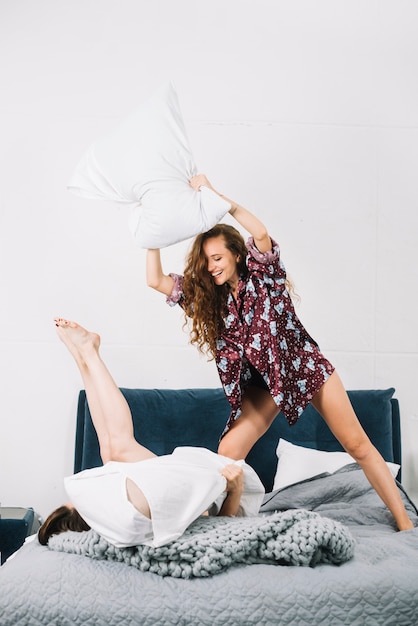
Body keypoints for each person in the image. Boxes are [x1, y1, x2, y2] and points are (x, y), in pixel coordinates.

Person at [146, 174, 414, 532]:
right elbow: (155, 280)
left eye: (217, 258)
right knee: (226, 453)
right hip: (262, 387)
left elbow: (259, 233)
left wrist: (215, 197)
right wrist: (152, 234)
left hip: (302, 367)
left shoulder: (264, 275)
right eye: (206, 261)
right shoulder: (212, 298)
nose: (211, 267)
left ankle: (406, 526)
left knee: (358, 444)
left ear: (237, 255)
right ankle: (220, 528)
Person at [38, 318, 265, 549]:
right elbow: (215, 527)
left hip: (190, 487)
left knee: (111, 451)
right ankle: (88, 354)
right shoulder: (123, 516)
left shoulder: (125, 512)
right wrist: (235, 490)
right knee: (117, 448)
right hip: (226, 486)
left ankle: (84, 357)